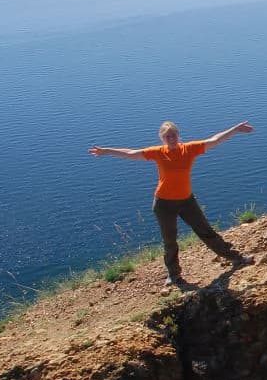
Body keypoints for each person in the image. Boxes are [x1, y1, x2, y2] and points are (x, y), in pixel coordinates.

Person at [90, 120, 255, 285]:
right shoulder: (158, 152)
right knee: (170, 240)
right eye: (167, 136)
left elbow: (214, 140)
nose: (171, 138)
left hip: (187, 201)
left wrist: (235, 130)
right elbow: (132, 153)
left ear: (178, 135)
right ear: (162, 138)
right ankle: (173, 274)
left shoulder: (189, 149)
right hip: (164, 204)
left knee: (206, 231)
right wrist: (106, 151)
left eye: (174, 135)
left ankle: (236, 258)